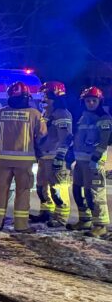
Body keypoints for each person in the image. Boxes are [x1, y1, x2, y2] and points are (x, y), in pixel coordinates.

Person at [0, 81, 46, 233]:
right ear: (27, 97)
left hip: (3, 160)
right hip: (24, 162)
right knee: (22, 192)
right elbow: (42, 135)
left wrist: (6, 142)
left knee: (1, 191)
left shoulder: (0, 113)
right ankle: (21, 226)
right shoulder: (35, 114)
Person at [68, 86, 111, 237]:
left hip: (93, 163)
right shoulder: (83, 118)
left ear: (100, 101)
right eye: (88, 101)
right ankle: (84, 220)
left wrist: (96, 158)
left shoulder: (104, 118)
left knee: (94, 193)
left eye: (94, 100)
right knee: (78, 191)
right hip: (80, 162)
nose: (91, 103)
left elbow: (104, 141)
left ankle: (100, 225)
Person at [32, 81, 73, 226]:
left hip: (55, 157)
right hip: (44, 156)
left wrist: (60, 157)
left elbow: (66, 137)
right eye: (42, 95)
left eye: (46, 95)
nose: (43, 98)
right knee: (41, 187)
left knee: (57, 188)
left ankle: (60, 218)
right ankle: (46, 213)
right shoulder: (46, 113)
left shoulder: (62, 114)